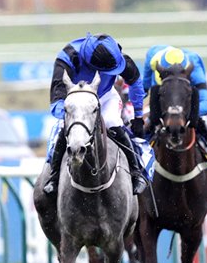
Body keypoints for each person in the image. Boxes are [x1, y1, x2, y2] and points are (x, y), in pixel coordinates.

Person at [44, 33, 147, 195]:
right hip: (76, 100)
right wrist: (71, 115)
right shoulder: (67, 57)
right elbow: (57, 97)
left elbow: (135, 82)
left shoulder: (117, 56)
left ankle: (137, 172)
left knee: (113, 121)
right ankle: (54, 176)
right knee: (67, 128)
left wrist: (139, 116)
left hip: (105, 97)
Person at [143, 45, 207, 180]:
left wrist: (185, 114)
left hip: (185, 101)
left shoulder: (194, 63)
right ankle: (135, 162)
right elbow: (142, 89)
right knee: (150, 122)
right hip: (162, 96)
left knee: (200, 123)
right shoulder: (152, 56)